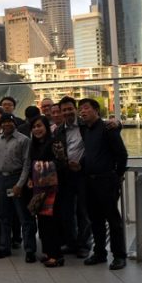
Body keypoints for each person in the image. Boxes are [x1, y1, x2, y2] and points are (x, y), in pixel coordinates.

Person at [78, 98, 128, 270]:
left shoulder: (108, 128)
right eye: (81, 109)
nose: (82, 112)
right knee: (95, 219)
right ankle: (99, 253)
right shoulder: (86, 130)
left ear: (96, 110)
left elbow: (122, 154)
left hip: (106, 181)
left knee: (113, 220)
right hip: (89, 181)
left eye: (86, 108)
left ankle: (119, 256)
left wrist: (118, 175)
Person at [0, 113, 35, 262]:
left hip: (17, 178)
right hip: (1, 179)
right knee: (3, 216)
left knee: (24, 217)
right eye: (4, 122)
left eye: (10, 121)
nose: (7, 124)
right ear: (0, 124)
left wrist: (20, 185)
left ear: (14, 123)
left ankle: (29, 250)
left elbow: (27, 164)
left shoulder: (24, 140)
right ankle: (4, 247)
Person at [52, 96, 92, 258]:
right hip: (65, 175)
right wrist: (63, 159)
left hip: (83, 174)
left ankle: (84, 244)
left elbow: (93, 148)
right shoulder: (58, 130)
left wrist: (82, 163)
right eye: (64, 110)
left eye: (70, 109)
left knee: (83, 211)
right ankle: (71, 242)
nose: (67, 112)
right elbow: (57, 152)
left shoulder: (86, 126)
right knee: (67, 211)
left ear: (75, 109)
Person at [27, 116, 64, 267]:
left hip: (53, 189)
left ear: (46, 127)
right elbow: (31, 163)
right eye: (34, 127)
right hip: (38, 189)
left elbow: (61, 162)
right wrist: (31, 177)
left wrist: (40, 167)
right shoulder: (34, 144)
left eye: (39, 126)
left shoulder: (55, 142)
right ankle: (48, 252)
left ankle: (57, 255)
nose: (37, 129)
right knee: (42, 222)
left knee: (52, 223)